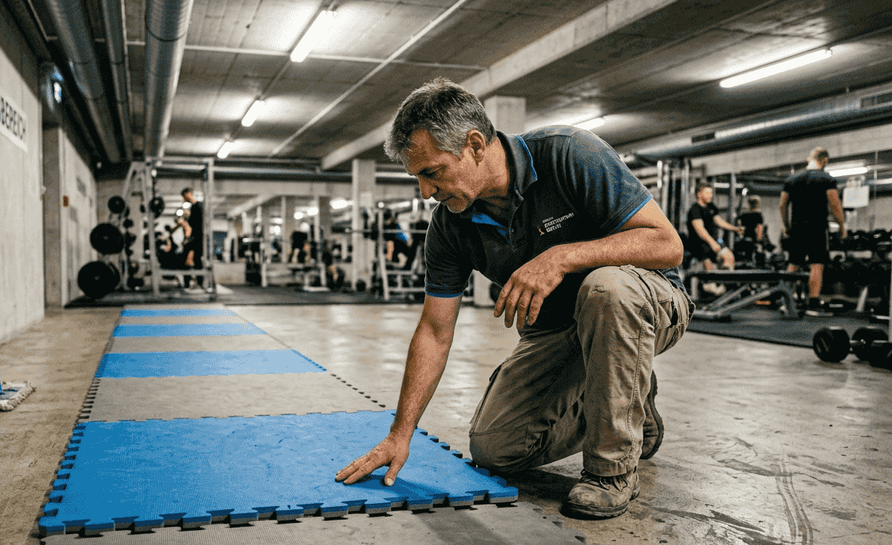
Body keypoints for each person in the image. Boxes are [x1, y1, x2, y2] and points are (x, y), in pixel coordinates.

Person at [335, 78, 693, 519]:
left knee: (606, 288)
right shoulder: (449, 225)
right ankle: (635, 405)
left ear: (474, 145)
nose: (425, 192)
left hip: (646, 304)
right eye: (417, 178)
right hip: (557, 328)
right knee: (496, 448)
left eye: (432, 172)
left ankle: (612, 472)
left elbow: (666, 245)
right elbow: (434, 331)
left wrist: (562, 257)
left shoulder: (570, 153)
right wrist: (400, 433)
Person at [779, 147, 846, 317]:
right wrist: (842, 226)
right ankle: (813, 304)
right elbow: (835, 204)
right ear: (824, 160)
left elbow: (782, 204)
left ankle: (785, 301)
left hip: (797, 227)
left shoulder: (792, 179)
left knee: (794, 263)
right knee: (817, 264)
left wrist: (786, 224)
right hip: (817, 227)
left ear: (809, 159)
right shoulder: (827, 179)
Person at [686, 182, 743, 294]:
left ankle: (725, 283)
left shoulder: (711, 207)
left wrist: (735, 228)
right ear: (699, 194)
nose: (710, 195)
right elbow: (700, 230)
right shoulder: (695, 210)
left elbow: (719, 221)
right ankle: (709, 286)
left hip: (713, 241)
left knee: (729, 256)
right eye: (707, 193)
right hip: (699, 243)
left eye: (711, 193)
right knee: (707, 260)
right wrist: (712, 243)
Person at [180, 187, 206, 290]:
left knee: (190, 258)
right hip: (196, 236)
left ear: (188, 194)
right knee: (195, 259)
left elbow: (196, 223)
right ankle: (196, 283)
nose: (184, 198)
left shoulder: (198, 205)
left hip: (197, 237)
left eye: (184, 196)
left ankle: (192, 283)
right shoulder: (194, 206)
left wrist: (188, 217)